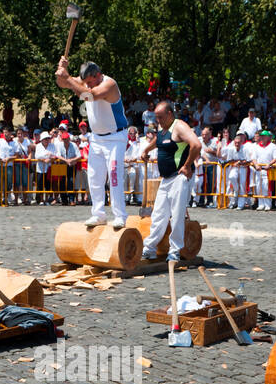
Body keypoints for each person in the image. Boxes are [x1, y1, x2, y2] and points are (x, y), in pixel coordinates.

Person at [54, 59, 128, 227]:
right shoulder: (87, 81)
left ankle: (120, 215)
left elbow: (89, 96)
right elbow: (62, 83)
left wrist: (69, 78)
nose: (88, 85)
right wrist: (61, 71)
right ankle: (98, 213)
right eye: (85, 82)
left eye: (90, 82)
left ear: (98, 75)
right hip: (97, 138)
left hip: (115, 137)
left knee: (114, 176)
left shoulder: (109, 85)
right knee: (94, 176)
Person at [137, 100, 201, 261]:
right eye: (156, 118)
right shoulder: (163, 127)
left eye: (160, 117)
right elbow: (158, 140)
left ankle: (175, 250)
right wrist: (146, 150)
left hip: (179, 178)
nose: (158, 121)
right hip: (166, 179)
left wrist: (187, 166)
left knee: (177, 215)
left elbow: (196, 145)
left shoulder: (180, 126)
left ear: (170, 114)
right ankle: (150, 247)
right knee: (158, 214)